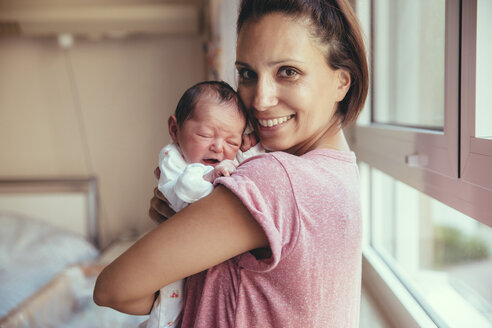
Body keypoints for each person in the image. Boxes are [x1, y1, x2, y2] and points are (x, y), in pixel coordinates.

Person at [94, 0, 369, 326]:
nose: (260, 100)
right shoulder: (338, 173)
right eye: (248, 74)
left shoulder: (274, 179)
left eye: (288, 72)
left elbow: (112, 288)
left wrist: (179, 226)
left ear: (342, 82)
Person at [145, 80, 262, 328]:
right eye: (205, 135)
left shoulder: (225, 158)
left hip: (209, 264)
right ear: (175, 130)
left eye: (232, 141)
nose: (218, 147)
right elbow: (187, 190)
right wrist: (216, 173)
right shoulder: (172, 158)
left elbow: (255, 163)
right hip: (177, 259)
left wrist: (253, 145)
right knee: (167, 312)